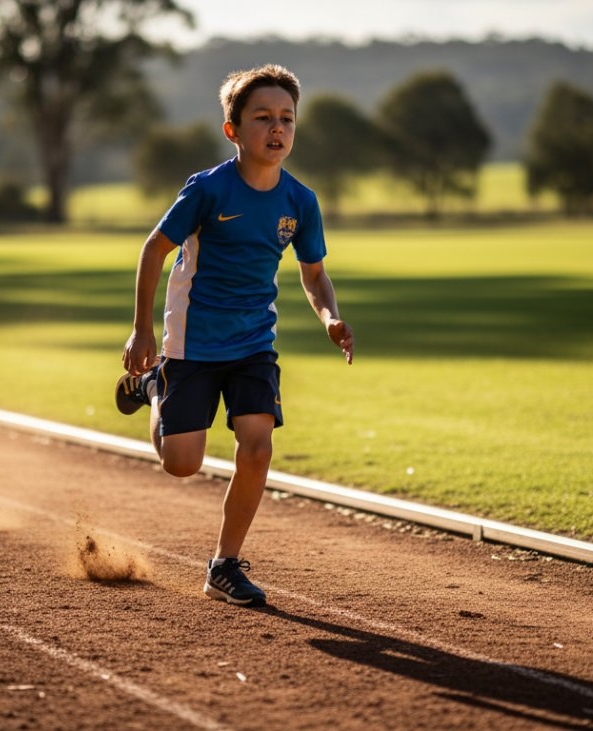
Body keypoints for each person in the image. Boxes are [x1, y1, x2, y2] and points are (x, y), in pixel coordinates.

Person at [115, 64, 354, 607]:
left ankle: (224, 565)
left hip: (252, 344)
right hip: (191, 344)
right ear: (233, 130)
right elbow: (155, 249)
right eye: (263, 117)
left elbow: (313, 274)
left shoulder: (301, 201)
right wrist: (141, 329)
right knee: (182, 463)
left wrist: (329, 318)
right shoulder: (208, 189)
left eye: (287, 119)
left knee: (258, 446)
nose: (278, 128)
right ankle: (154, 386)